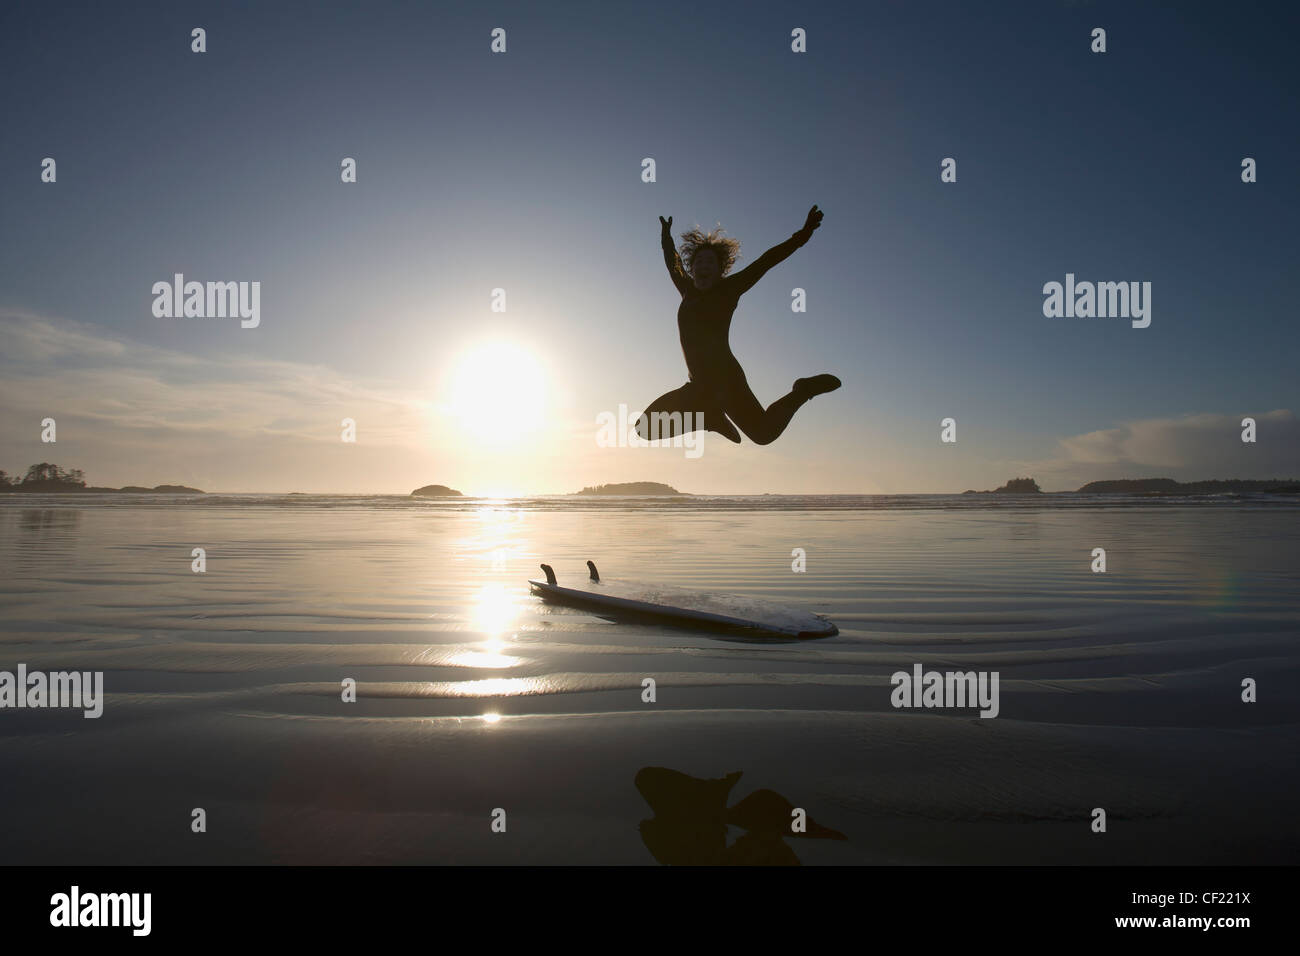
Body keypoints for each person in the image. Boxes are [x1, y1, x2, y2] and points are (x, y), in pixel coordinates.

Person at [636, 205, 841, 445]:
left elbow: (767, 261)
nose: (703, 266)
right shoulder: (687, 290)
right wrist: (666, 239)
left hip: (728, 382)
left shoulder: (729, 290)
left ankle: (802, 391)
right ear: (692, 269)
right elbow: (673, 264)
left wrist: (803, 235)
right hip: (699, 387)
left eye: (710, 263)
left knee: (764, 434)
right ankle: (709, 418)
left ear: (720, 270)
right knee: (646, 427)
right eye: (699, 262)